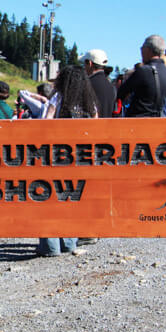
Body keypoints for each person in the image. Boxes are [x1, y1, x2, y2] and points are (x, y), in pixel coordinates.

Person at [37, 65, 98, 256]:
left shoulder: (58, 99)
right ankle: (70, 243)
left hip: (57, 156)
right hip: (81, 159)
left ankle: (50, 246)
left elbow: (45, 124)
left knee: (50, 200)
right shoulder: (90, 104)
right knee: (73, 199)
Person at [117, 35, 166, 117]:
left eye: (142, 47)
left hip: (139, 121)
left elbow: (121, 93)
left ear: (148, 49)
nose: (141, 50)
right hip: (159, 120)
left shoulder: (144, 71)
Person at [81, 49, 116, 118]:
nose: (84, 67)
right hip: (106, 127)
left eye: (84, 64)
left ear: (90, 63)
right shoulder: (111, 87)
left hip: (88, 127)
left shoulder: (86, 84)